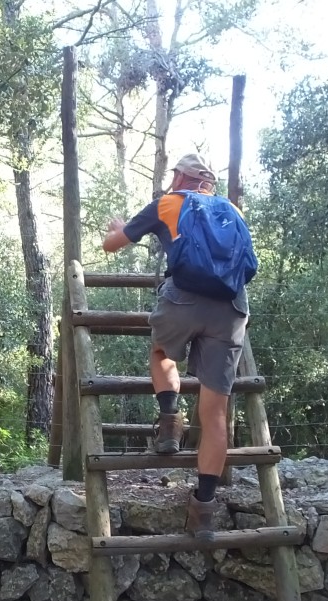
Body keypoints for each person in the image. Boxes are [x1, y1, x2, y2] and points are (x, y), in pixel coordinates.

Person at [100, 153, 250, 541]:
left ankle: (169, 423)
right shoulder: (231, 209)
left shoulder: (167, 204)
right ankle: (202, 509)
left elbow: (111, 245)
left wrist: (118, 227)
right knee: (216, 411)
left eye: (174, 175)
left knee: (162, 354)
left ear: (180, 176)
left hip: (183, 299)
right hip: (231, 307)